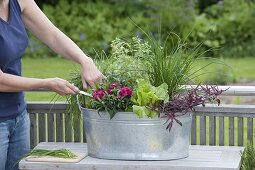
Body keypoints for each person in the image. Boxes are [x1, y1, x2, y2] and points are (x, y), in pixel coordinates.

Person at [0, 0, 105, 169]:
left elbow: (53, 36)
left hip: (18, 117)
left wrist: (85, 60)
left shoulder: (19, 2)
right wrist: (47, 83)